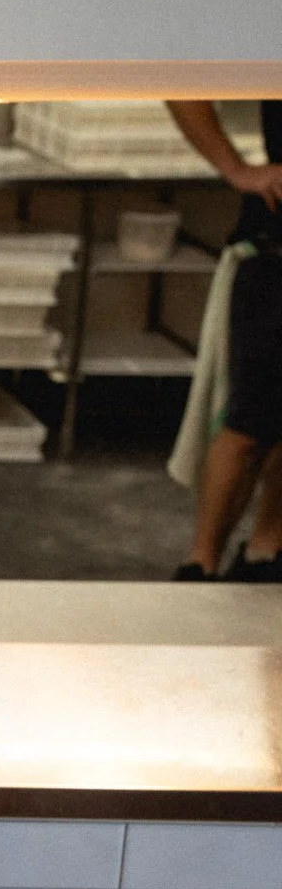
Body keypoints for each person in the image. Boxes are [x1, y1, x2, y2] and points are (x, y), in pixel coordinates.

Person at [167, 99, 282, 581]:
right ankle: (202, 562)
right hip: (274, 251)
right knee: (248, 423)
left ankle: (267, 547)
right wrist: (237, 169)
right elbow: (182, 82)